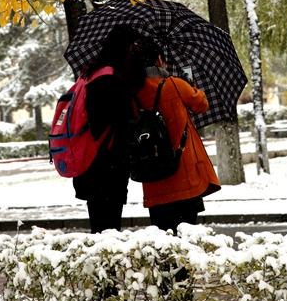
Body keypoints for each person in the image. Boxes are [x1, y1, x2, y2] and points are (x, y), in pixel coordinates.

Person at [125, 37, 221, 234]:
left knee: (164, 242)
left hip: (154, 178)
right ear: (159, 59)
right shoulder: (175, 85)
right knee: (186, 238)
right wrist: (191, 86)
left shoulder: (132, 93)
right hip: (183, 174)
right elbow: (201, 105)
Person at [72, 24, 142, 233]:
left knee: (100, 226)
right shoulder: (109, 81)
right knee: (108, 229)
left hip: (93, 162)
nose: (137, 51)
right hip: (107, 166)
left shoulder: (93, 74)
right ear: (124, 48)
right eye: (134, 46)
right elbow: (119, 120)